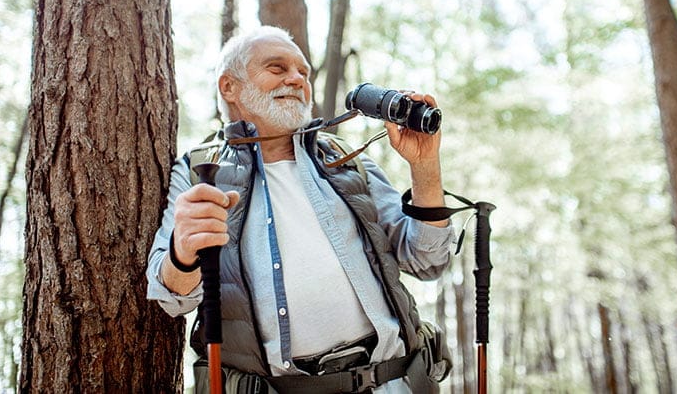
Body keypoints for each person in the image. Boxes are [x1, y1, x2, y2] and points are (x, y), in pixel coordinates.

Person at [147, 25, 454, 393]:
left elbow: (427, 260)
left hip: (393, 382)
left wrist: (425, 168)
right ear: (229, 86)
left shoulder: (348, 160)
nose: (296, 79)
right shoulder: (199, 170)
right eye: (277, 68)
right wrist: (184, 250)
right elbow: (171, 298)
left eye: (303, 73)